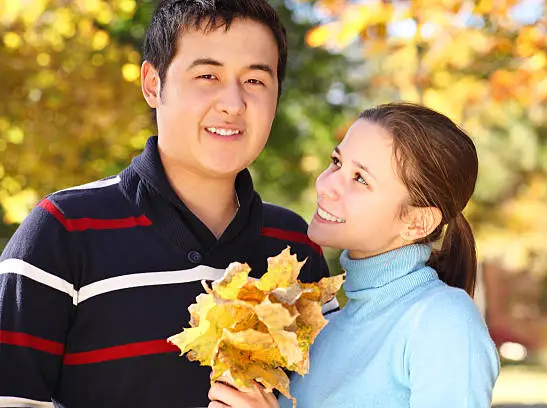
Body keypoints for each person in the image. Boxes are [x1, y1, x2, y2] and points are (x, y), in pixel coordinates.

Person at [0, 1, 336, 407]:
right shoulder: (64, 230)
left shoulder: (295, 248)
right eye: (207, 75)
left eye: (254, 81)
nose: (233, 103)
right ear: (153, 84)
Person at [207, 102, 500, 408]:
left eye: (360, 178)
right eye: (337, 162)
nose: (325, 184)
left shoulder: (441, 321)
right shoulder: (324, 331)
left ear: (417, 222)